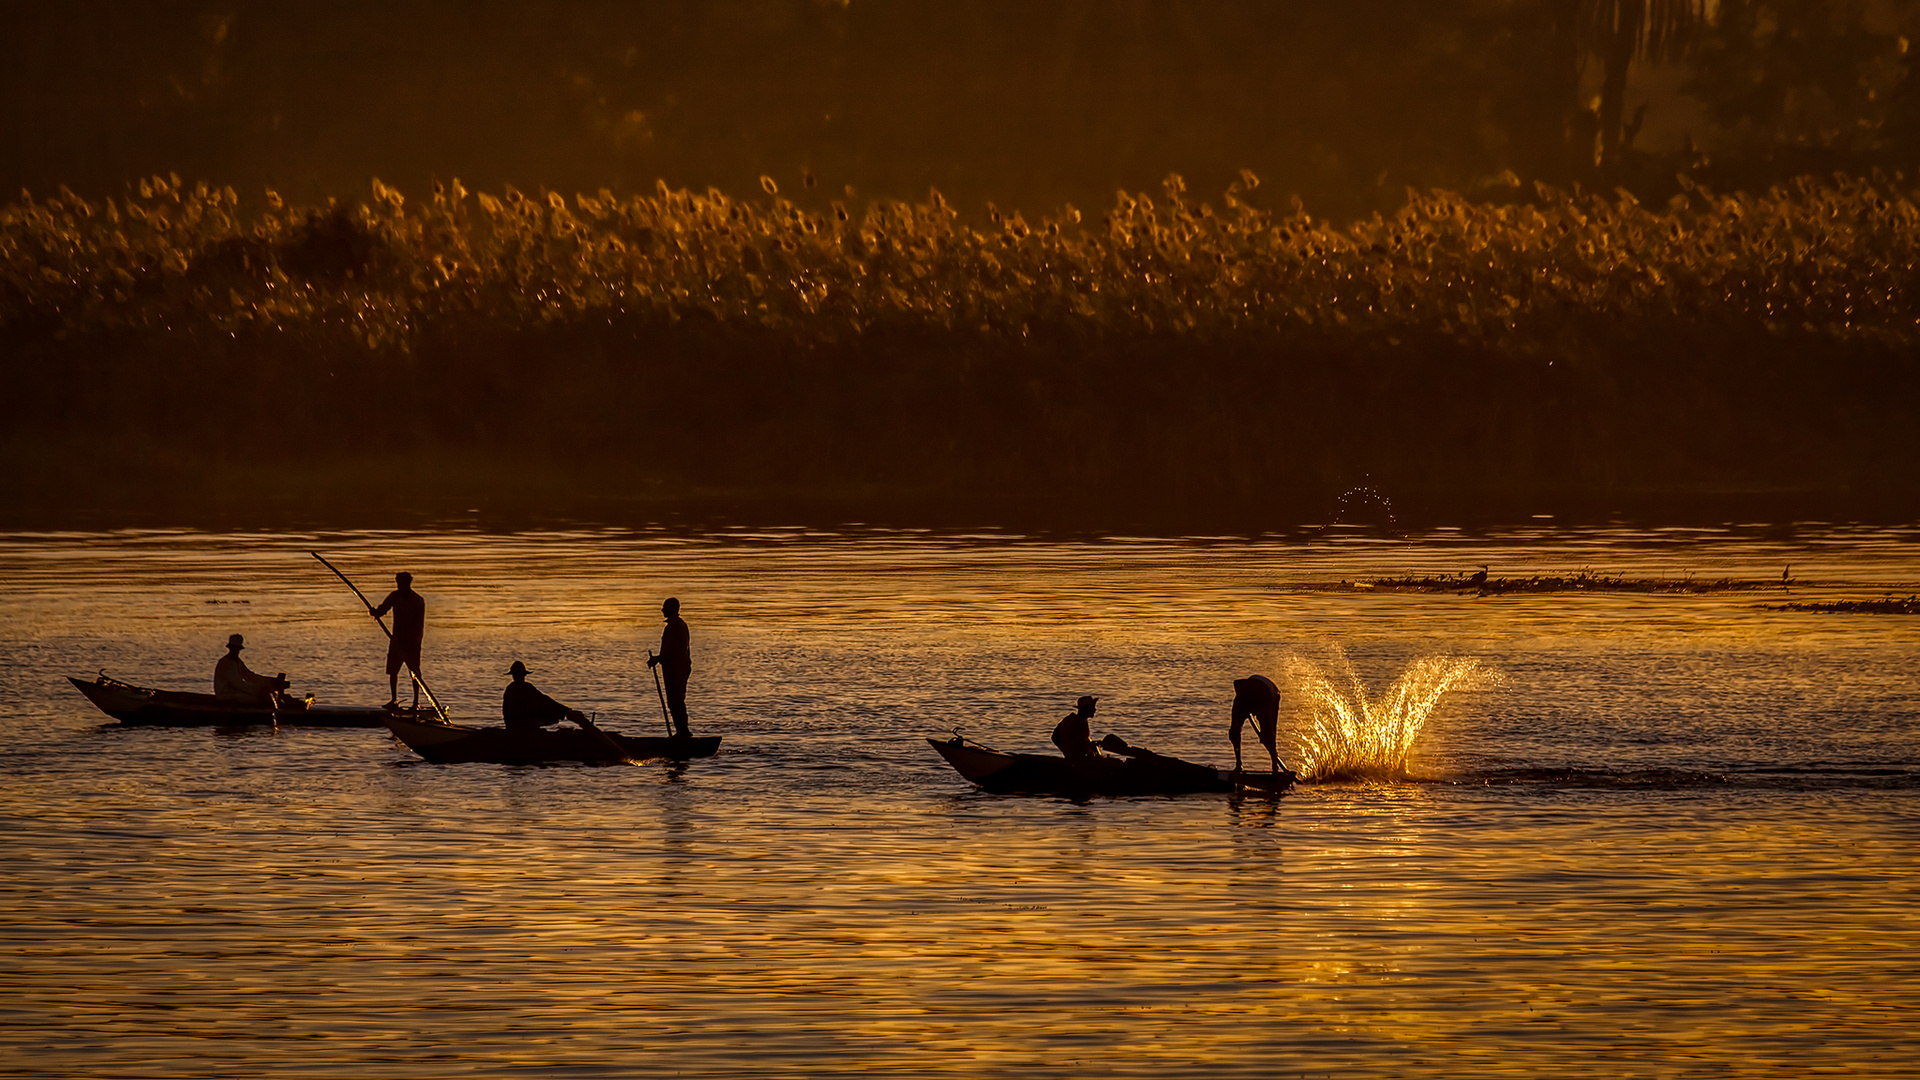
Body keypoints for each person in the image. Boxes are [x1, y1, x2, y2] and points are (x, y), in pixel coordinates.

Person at [371, 571, 425, 709]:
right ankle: (394, 700)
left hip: (412, 642)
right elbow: (383, 609)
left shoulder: (417, 601)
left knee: (414, 672)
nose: (400, 586)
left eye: (403, 583)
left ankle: (415, 703)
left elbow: (418, 625)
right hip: (396, 640)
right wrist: (376, 612)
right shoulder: (394, 596)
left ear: (409, 582)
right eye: (398, 583)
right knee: (393, 671)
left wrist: (411, 642)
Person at [646, 597, 693, 738]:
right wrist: (659, 659)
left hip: (677, 669)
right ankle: (681, 732)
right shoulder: (674, 625)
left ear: (672, 609)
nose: (662, 610)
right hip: (673, 668)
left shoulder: (676, 626)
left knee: (676, 701)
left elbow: (672, 651)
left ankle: (683, 733)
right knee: (674, 702)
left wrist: (657, 659)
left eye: (665, 607)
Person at [502, 660, 587, 731]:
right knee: (551, 717)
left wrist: (564, 710)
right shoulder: (525, 688)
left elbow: (543, 700)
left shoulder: (510, 689)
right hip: (522, 725)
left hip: (512, 726)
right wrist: (565, 710)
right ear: (524, 675)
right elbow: (543, 700)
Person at [213, 633, 288, 706]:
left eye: (237, 649)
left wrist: (269, 681)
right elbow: (238, 684)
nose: (236, 651)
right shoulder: (225, 663)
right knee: (254, 698)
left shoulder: (237, 662)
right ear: (230, 648)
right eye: (234, 648)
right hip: (225, 694)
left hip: (235, 691)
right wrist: (258, 689)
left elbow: (249, 676)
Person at [1230, 674, 1283, 775]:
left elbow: (1270, 732)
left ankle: (1274, 766)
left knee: (1268, 734)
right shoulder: (1239, 701)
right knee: (1234, 733)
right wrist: (1235, 729)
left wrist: (1266, 736)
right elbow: (1234, 730)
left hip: (1269, 694)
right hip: (1254, 691)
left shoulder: (1263, 696)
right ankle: (1238, 765)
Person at [1051, 695, 1102, 761]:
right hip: (1078, 760)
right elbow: (1081, 743)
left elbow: (1054, 737)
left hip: (1073, 758)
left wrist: (1065, 750)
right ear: (1086, 709)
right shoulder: (1079, 722)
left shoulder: (1070, 719)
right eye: (1092, 707)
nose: (1095, 709)